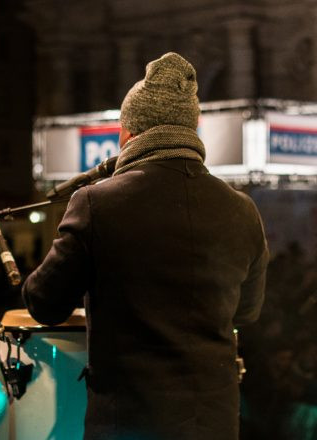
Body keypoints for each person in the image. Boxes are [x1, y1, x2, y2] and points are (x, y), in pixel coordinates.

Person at [22, 52, 269, 440]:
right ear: (192, 127)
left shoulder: (97, 203)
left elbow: (44, 302)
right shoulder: (242, 210)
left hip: (130, 422)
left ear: (129, 133)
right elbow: (247, 313)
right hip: (215, 422)